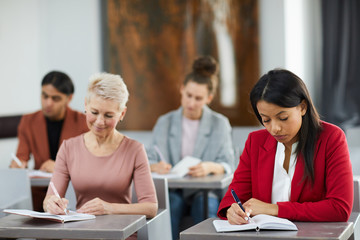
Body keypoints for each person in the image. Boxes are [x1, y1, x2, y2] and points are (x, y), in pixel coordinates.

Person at [217, 69, 353, 224]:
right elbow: (232, 198)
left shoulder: (331, 138)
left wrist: (274, 209)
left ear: (302, 107)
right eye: (266, 120)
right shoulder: (256, 141)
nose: (274, 128)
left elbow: (339, 208)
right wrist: (232, 211)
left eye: (283, 118)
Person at [43, 73, 158, 239]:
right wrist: (51, 205)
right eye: (94, 112)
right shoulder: (68, 148)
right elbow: (49, 199)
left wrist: (109, 208)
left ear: (122, 113)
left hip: (121, 234)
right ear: (85, 105)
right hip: (81, 233)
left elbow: (150, 208)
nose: (99, 122)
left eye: (109, 115)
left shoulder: (135, 150)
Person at [147, 56, 235, 240]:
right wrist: (156, 167)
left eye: (198, 98)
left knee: (206, 204)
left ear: (209, 98)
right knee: (170, 204)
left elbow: (228, 164)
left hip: (204, 191)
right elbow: (149, 159)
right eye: (188, 95)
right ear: (181, 89)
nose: (191, 103)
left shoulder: (220, 124)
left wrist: (210, 167)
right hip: (173, 190)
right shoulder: (165, 122)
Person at [10, 71, 88, 211]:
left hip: (72, 195)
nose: (48, 103)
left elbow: (90, 163)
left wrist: (60, 168)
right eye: (44, 96)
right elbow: (21, 157)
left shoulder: (83, 122)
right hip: (39, 195)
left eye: (55, 98)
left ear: (69, 98)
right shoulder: (28, 121)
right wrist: (17, 166)